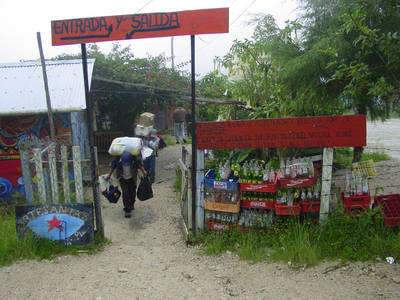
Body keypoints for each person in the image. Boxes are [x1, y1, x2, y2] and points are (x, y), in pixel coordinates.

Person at [106, 151, 147, 218]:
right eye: (125, 164)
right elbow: (113, 167)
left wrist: (144, 172)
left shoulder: (134, 158)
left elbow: (140, 165)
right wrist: (109, 175)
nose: (126, 165)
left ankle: (132, 204)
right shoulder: (117, 159)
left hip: (132, 178)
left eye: (128, 164)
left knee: (132, 192)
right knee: (125, 193)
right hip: (122, 178)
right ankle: (127, 210)